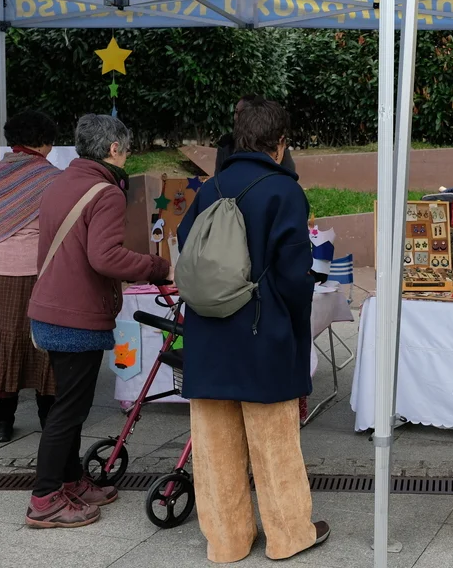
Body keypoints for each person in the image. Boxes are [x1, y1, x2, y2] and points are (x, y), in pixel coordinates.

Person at [179, 97, 327, 563]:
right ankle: (288, 536)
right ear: (280, 143)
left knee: (213, 447)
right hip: (264, 333)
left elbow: (186, 246)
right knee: (274, 443)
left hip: (207, 334)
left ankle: (226, 542)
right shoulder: (283, 191)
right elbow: (292, 274)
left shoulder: (211, 187)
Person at [25, 114, 172, 529]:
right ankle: (45, 498)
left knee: (67, 405)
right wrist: (157, 267)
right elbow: (104, 257)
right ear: (113, 148)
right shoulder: (106, 192)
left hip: (50, 310)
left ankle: (70, 480)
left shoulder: (60, 183)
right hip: (76, 316)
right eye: (127, 149)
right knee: (68, 410)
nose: (127, 156)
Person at [0, 109, 61, 443]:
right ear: (45, 142)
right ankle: (48, 413)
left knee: (3, 337)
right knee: (43, 338)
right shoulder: (52, 178)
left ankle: (2, 419)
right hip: (38, 269)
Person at [215, 96, 295, 174]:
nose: (236, 117)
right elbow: (219, 175)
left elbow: (289, 173)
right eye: (236, 112)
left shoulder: (275, 143)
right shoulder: (226, 143)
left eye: (242, 113)